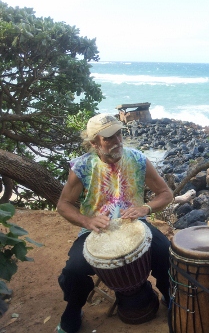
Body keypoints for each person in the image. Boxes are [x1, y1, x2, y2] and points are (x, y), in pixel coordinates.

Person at [55, 113, 173, 333]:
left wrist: (145, 208)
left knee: (165, 253)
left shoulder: (138, 159)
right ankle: (73, 308)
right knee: (73, 270)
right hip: (96, 232)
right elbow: (64, 205)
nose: (118, 141)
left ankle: (167, 294)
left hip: (136, 226)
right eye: (109, 137)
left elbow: (166, 193)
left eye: (119, 133)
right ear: (94, 143)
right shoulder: (81, 167)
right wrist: (87, 220)